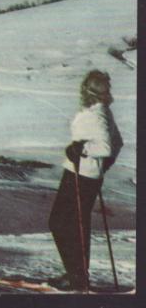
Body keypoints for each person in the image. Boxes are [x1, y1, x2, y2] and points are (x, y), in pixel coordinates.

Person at [48, 70, 123, 291]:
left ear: (89, 91)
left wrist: (82, 149)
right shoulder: (101, 111)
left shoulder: (97, 114)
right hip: (86, 174)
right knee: (75, 225)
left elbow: (107, 146)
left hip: (80, 175)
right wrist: (103, 165)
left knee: (61, 223)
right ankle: (77, 274)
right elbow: (117, 143)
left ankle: (76, 276)